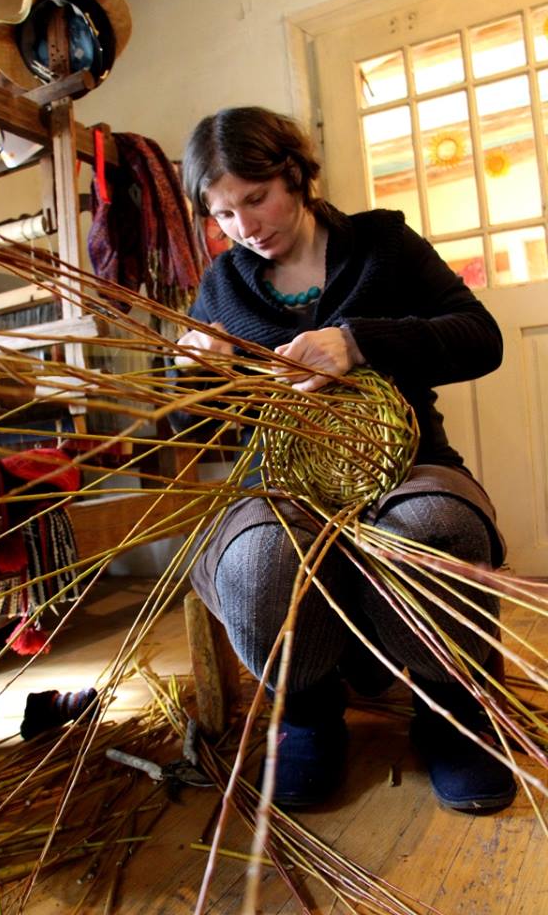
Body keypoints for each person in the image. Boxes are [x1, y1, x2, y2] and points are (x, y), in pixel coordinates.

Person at [171, 105, 515, 812]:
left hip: (406, 465)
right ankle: (306, 716)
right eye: (224, 214)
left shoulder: (383, 243)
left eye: (256, 198)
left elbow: (482, 338)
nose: (245, 227)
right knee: (257, 562)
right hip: (280, 483)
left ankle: (452, 712)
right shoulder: (222, 286)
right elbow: (195, 432)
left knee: (433, 531)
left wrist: (358, 341)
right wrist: (196, 376)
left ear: (295, 174)